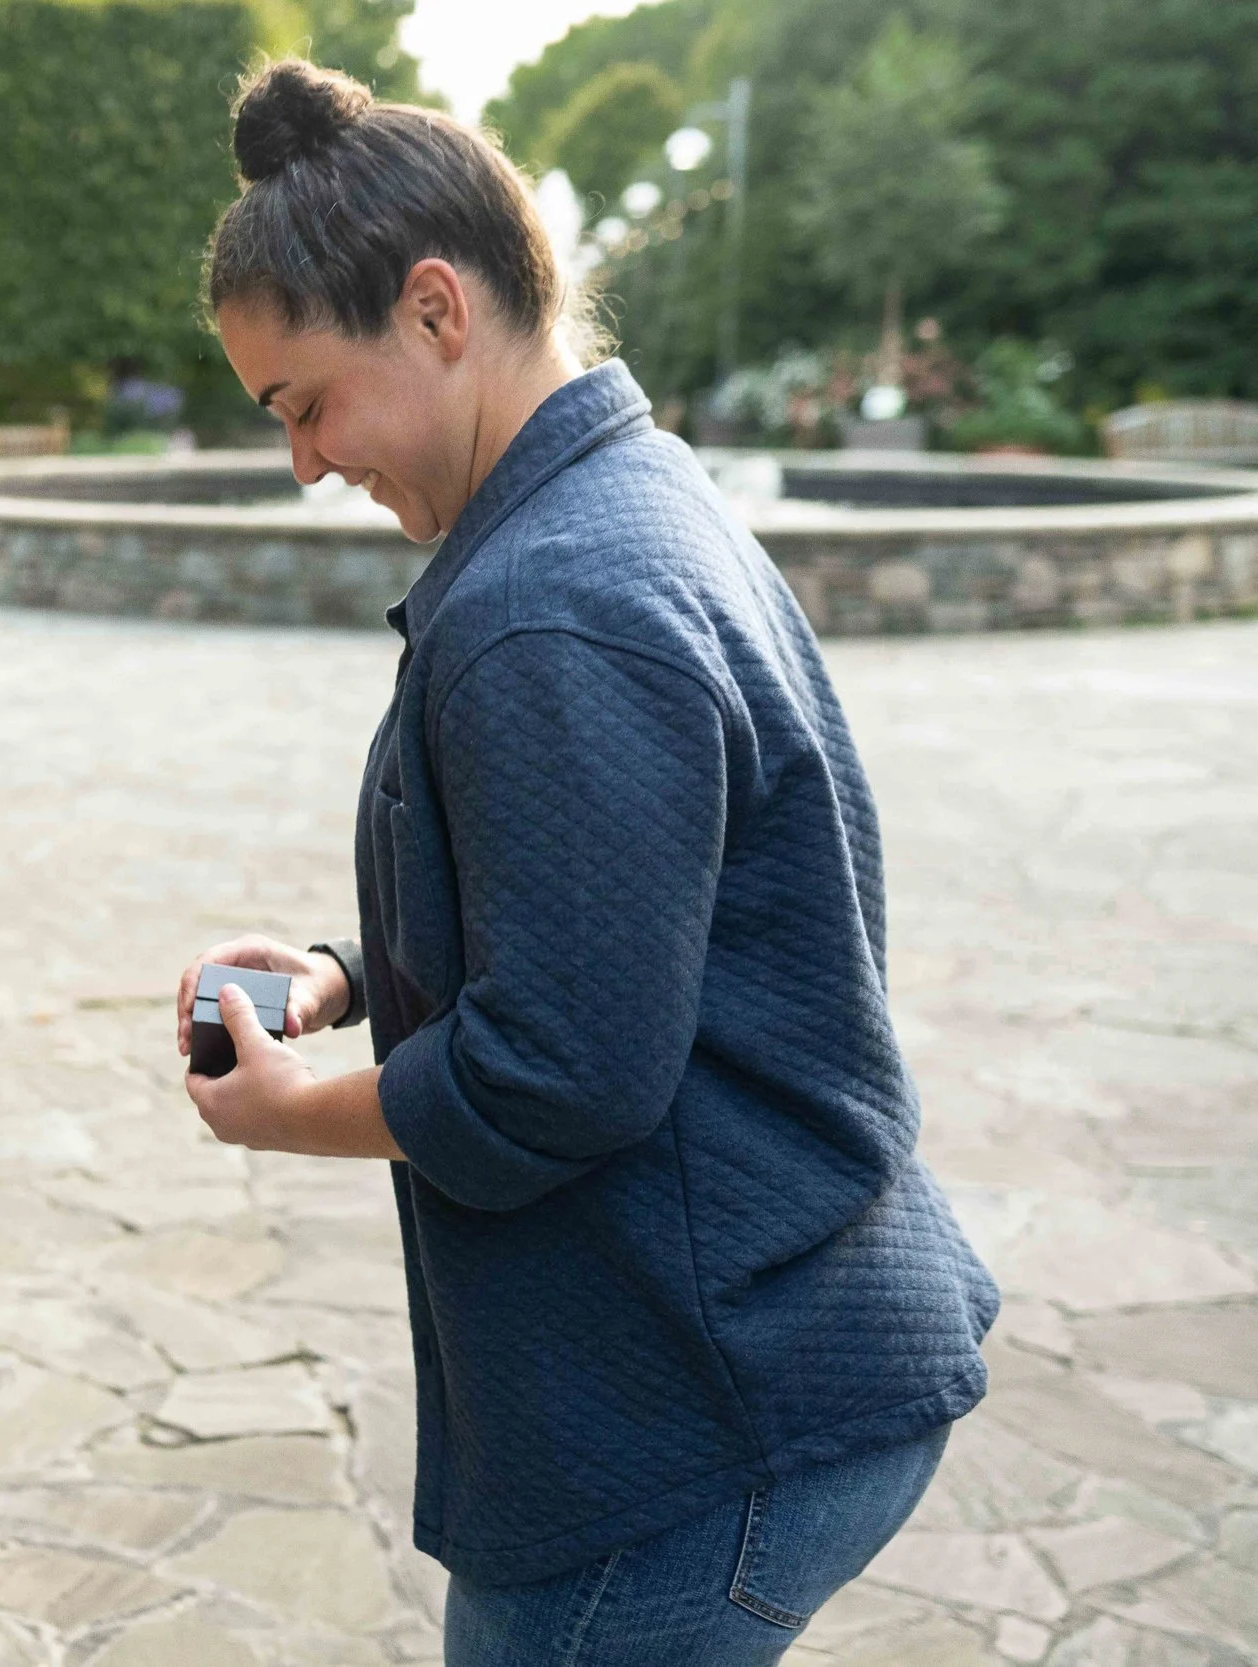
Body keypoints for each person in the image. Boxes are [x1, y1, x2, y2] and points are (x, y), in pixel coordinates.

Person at [174, 60, 997, 1666]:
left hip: (698, 1414)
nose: (306, 462)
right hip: (772, 1341)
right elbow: (624, 906)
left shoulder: (550, 601)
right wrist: (360, 974)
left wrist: (292, 1115)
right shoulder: (632, 500)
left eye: (303, 404)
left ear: (434, 311)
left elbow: (561, 1071)